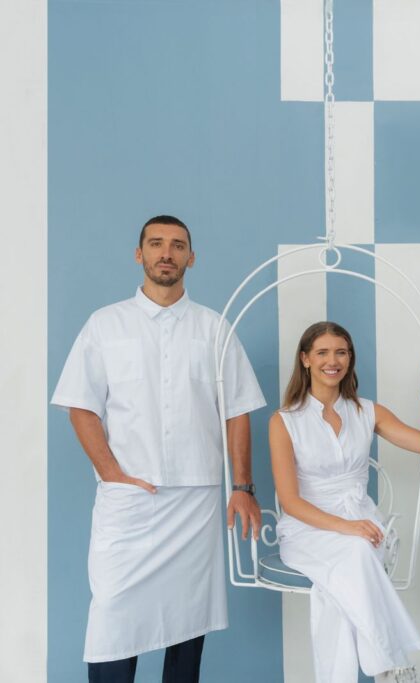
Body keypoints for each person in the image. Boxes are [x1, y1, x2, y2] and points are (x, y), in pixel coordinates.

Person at [51, 215, 266, 682]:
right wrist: (112, 474)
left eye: (177, 245)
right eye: (156, 243)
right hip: (129, 498)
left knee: (187, 628)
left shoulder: (214, 328)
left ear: (192, 257)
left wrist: (243, 487)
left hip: (195, 502)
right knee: (112, 619)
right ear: (139, 254)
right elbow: (81, 407)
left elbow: (237, 411)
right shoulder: (105, 325)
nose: (166, 253)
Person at [269, 321, 420, 683]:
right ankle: (394, 666)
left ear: (350, 359)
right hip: (307, 529)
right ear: (305, 359)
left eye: (341, 352)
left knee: (344, 579)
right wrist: (347, 528)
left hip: (362, 521)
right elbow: (290, 501)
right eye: (322, 352)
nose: (332, 361)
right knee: (356, 553)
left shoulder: (367, 411)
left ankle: (389, 668)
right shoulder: (284, 421)